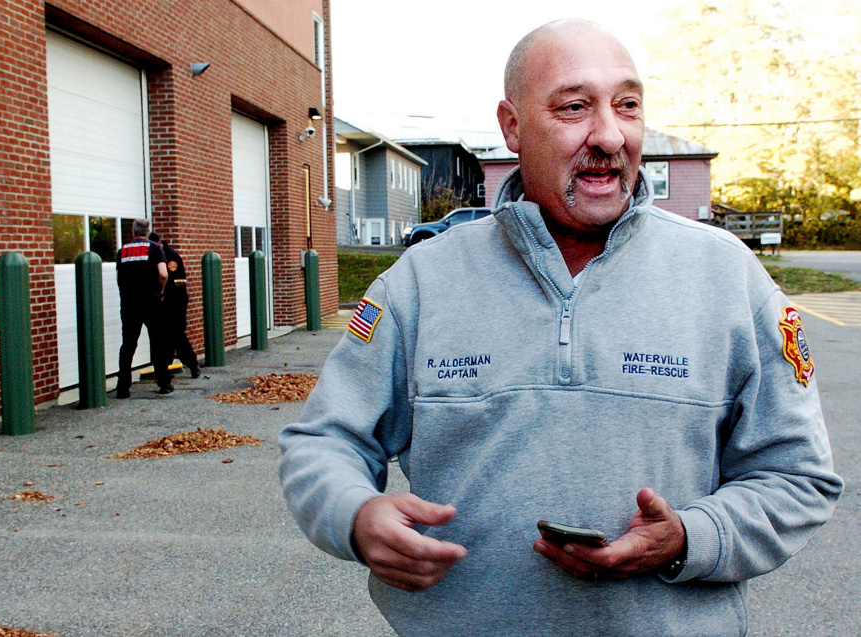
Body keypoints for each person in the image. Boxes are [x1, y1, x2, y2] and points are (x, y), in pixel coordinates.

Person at [278, 19, 843, 636]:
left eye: (627, 106)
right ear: (512, 126)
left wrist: (689, 538)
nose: (608, 134)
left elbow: (797, 476)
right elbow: (324, 441)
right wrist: (356, 516)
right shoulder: (422, 281)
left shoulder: (728, 277)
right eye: (575, 107)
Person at [115, 218, 172, 397]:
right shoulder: (156, 249)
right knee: (157, 341)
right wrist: (161, 290)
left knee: (128, 344)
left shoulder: (122, 250)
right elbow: (163, 273)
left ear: (133, 231)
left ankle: (123, 387)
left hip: (129, 302)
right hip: (151, 300)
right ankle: (163, 382)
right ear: (148, 232)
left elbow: (119, 277)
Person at [149, 232, 201, 379]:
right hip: (162, 299)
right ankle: (164, 370)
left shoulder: (171, 256)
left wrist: (162, 292)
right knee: (164, 336)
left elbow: (174, 280)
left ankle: (192, 364)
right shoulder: (156, 254)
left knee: (176, 334)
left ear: (159, 243)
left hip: (175, 299)